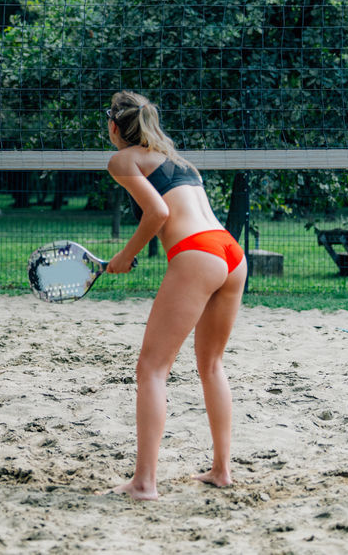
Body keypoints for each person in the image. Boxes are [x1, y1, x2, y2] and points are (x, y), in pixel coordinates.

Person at [101, 90, 246, 500]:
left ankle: (144, 482)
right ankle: (221, 470)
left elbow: (159, 214)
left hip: (197, 254)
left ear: (114, 126)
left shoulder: (123, 160)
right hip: (230, 253)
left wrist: (126, 255)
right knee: (212, 365)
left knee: (151, 369)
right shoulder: (179, 160)